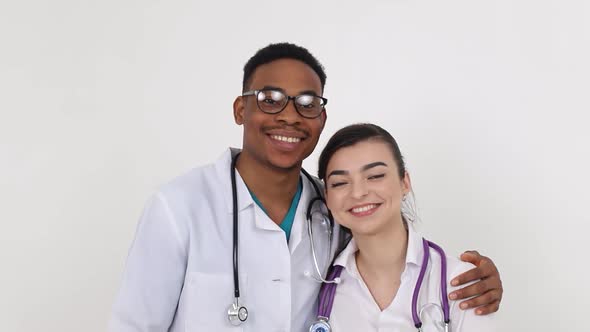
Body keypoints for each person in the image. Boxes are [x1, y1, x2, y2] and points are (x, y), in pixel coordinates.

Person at [109, 43, 503, 332]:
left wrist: (482, 280)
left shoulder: (333, 209)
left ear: (321, 117)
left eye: (307, 102)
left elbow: (393, 253)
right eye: (271, 99)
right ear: (240, 109)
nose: (290, 116)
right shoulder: (178, 208)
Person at [311, 123, 497, 332]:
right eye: (339, 183)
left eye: (375, 176)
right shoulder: (318, 287)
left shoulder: (460, 283)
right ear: (326, 196)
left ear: (405, 182)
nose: (358, 193)